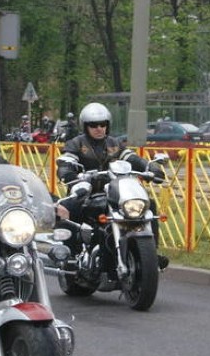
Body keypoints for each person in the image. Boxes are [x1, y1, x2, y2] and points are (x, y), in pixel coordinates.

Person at [56, 102, 168, 270]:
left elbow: (131, 158)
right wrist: (69, 174)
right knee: (68, 208)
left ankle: (151, 252)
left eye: (103, 124)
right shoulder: (76, 143)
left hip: (115, 192)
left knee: (148, 204)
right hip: (86, 192)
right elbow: (67, 160)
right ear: (85, 126)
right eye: (93, 125)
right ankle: (70, 256)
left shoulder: (114, 143)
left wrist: (150, 167)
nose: (99, 128)